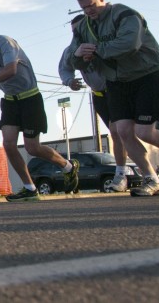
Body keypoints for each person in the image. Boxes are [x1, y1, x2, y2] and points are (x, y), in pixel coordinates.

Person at [69, 0, 159, 197]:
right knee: (123, 131)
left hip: (144, 76)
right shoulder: (84, 28)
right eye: (84, 8)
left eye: (91, 5)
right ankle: (151, 179)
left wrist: (96, 51)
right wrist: (79, 55)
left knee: (144, 131)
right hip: (116, 81)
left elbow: (129, 44)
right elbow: (73, 58)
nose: (89, 11)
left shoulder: (125, 14)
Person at [0, 18, 79, 202]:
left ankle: (68, 166)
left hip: (30, 98)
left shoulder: (5, 42)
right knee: (9, 144)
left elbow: (11, 69)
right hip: (10, 101)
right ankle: (30, 188)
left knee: (32, 147)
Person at [59, 14, 129, 192]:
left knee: (118, 131)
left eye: (80, 28)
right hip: (98, 95)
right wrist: (70, 81)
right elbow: (65, 68)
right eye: (74, 31)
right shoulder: (71, 50)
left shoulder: (102, 42)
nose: (77, 33)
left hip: (116, 89)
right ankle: (124, 173)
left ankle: (121, 175)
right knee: (119, 134)